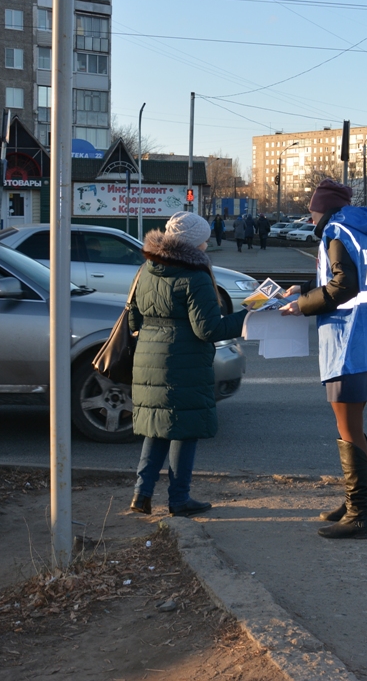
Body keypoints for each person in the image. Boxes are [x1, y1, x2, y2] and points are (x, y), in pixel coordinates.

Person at [280, 179, 367, 540]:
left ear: (323, 206)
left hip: (347, 340)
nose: (309, 213)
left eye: (312, 207)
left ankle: (360, 513)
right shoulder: (360, 231)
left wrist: (302, 305)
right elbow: (344, 277)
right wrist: (304, 287)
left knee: (348, 426)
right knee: (352, 424)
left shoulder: (336, 230)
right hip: (364, 337)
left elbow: (344, 286)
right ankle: (353, 502)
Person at [128, 212, 247, 518]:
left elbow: (133, 318)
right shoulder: (195, 276)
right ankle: (179, 499)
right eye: (204, 238)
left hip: (148, 360)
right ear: (195, 243)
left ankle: (141, 495)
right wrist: (249, 317)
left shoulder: (147, 268)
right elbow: (208, 330)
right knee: (184, 430)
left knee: (156, 428)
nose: (207, 243)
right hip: (184, 362)